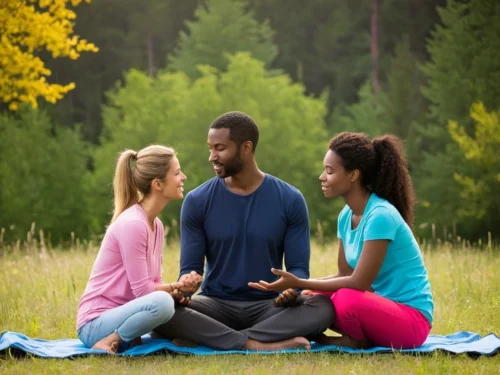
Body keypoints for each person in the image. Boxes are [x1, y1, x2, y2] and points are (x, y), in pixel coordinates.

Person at [154, 111, 335, 350]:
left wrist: (292, 289)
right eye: (210, 148)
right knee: (159, 307)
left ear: (246, 148)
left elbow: (299, 269)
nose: (212, 157)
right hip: (214, 305)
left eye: (220, 148)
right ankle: (253, 343)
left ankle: (211, 337)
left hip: (271, 306)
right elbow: (190, 268)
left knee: (322, 308)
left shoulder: (290, 199)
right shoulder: (197, 201)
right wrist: (186, 283)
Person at [249, 132, 434, 350]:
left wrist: (298, 283)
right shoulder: (346, 216)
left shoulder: (380, 215)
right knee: (313, 295)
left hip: (411, 321)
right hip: (378, 306)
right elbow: (344, 273)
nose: (322, 177)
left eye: (329, 171)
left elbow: (358, 283)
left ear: (353, 175)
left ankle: (354, 340)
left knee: (345, 298)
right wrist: (305, 290)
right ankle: (337, 335)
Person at [77, 145, 195, 354]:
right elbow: (143, 292)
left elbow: (154, 283)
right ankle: (110, 341)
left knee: (174, 303)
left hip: (123, 314)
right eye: (176, 173)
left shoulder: (155, 224)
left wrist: (176, 291)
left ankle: (130, 338)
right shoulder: (134, 224)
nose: (183, 177)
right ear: (157, 184)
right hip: (94, 325)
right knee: (163, 303)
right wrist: (176, 285)